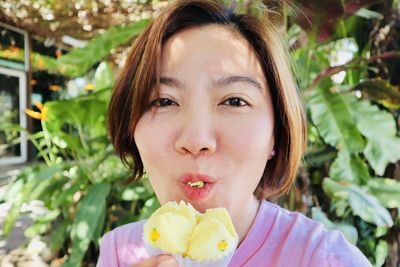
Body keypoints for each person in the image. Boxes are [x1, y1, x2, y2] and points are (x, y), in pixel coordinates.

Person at [97, 0, 372, 266]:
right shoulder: (119, 253)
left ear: (276, 133)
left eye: (234, 101)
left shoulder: (325, 259)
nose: (196, 141)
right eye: (164, 101)